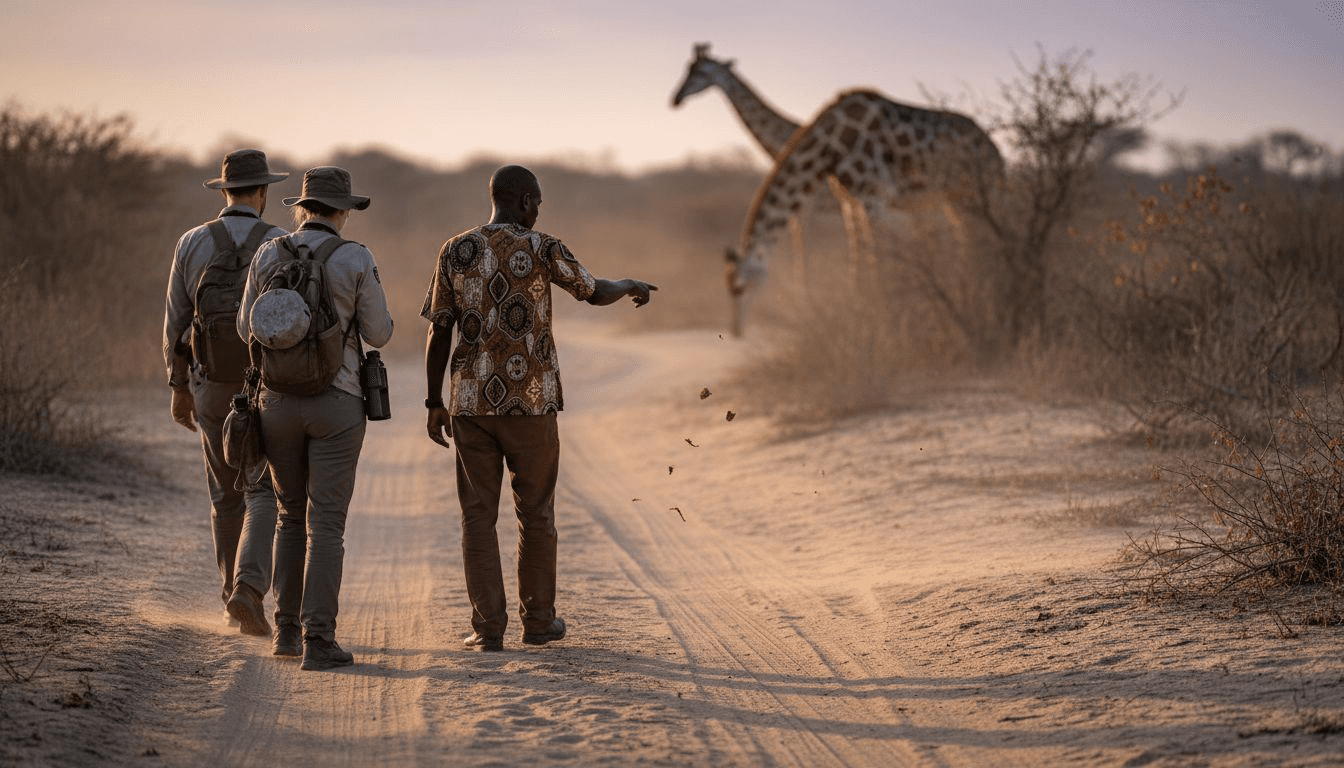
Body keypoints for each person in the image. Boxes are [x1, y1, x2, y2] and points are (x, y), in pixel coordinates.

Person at [422, 164, 656, 652]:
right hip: (532, 404)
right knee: (537, 515)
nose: (539, 209)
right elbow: (593, 291)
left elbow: (438, 328)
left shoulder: (455, 249)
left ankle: (487, 629)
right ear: (525, 200)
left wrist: (432, 401)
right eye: (538, 202)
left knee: (477, 518)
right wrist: (629, 282)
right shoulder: (543, 246)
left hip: (471, 406)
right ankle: (539, 621)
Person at [237, 166, 394, 670]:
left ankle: (285, 633)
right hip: (338, 400)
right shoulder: (355, 256)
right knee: (327, 524)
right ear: (344, 210)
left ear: (301, 208)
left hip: (276, 402)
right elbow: (381, 332)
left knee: (289, 515)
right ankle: (318, 640)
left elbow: (246, 328)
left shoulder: (268, 253)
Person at [162, 148, 288, 638]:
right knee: (263, 490)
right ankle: (247, 591)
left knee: (223, 494)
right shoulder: (280, 241)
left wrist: (178, 387)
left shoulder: (191, 242)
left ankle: (228, 595)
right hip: (264, 387)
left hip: (210, 384)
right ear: (262, 193)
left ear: (224, 191)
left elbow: (174, 321)